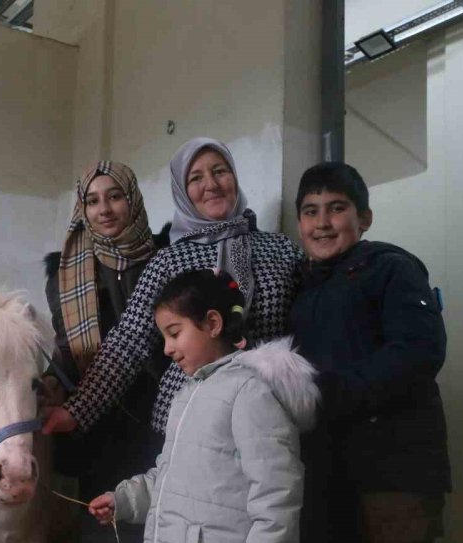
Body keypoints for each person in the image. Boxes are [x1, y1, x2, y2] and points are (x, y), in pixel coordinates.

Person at [86, 269, 317, 543]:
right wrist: (124, 499)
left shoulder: (250, 393)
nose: (167, 349)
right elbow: (170, 474)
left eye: (174, 333)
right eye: (163, 337)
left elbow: (278, 495)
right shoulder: (189, 396)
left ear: (212, 323)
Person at [284, 162, 451, 543]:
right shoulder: (303, 286)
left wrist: (326, 393)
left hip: (395, 475)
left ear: (365, 218)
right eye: (310, 212)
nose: (323, 223)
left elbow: (420, 349)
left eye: (337, 209)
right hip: (330, 475)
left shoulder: (392, 267)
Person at [43, 137, 302, 439]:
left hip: (265, 410)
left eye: (220, 171)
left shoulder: (282, 249)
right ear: (182, 190)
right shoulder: (168, 259)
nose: (211, 184)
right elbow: (128, 341)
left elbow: (311, 323)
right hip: (184, 418)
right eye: (196, 178)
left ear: (234, 176)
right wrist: (76, 411)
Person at [42, 161, 169, 543]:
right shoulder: (67, 271)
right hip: (95, 424)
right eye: (92, 201)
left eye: (114, 197)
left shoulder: (166, 258)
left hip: (156, 419)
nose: (104, 209)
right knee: (101, 532)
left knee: (154, 531)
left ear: (133, 200)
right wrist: (52, 385)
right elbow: (63, 346)